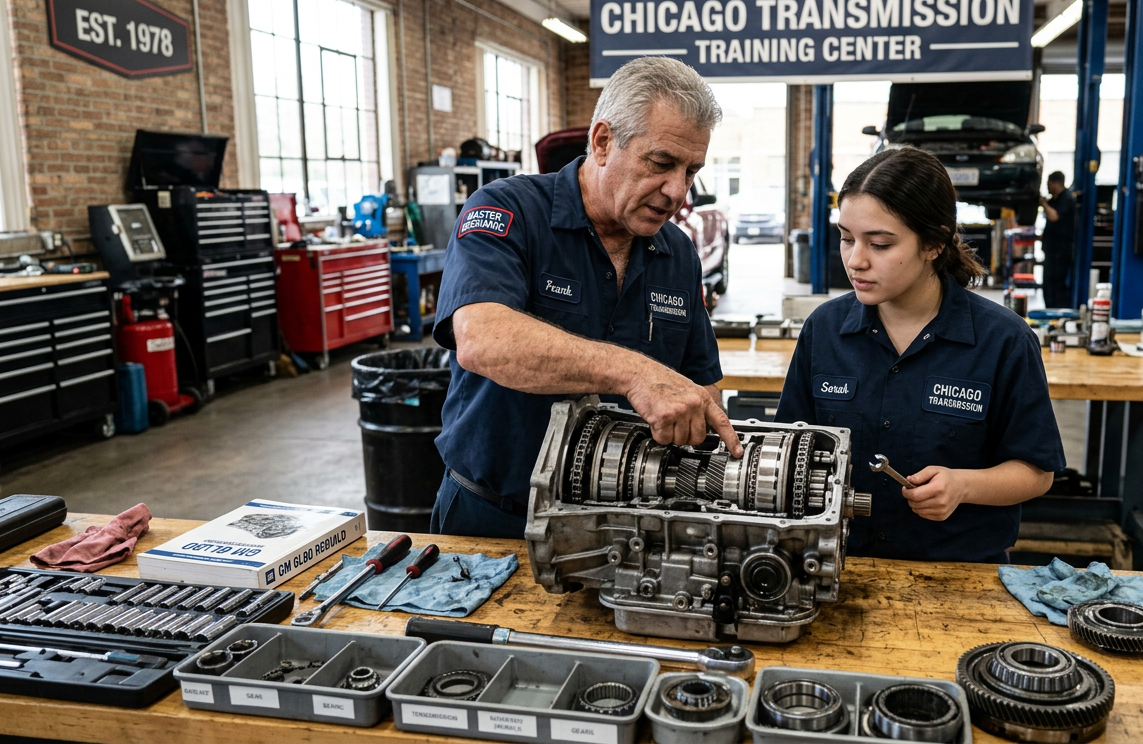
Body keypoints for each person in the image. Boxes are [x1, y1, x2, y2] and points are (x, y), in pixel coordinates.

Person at [428, 57, 743, 539]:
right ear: (602, 142)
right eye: (661, 164)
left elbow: (700, 387)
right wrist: (636, 374)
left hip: (625, 529)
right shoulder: (507, 210)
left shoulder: (676, 251)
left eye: (691, 171)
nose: (678, 191)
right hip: (492, 522)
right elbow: (481, 338)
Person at [774, 147, 1065, 563]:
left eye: (879, 244)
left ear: (933, 244)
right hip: (839, 568)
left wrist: (964, 486)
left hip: (959, 577)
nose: (856, 261)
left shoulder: (1004, 341)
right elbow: (790, 448)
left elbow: (1037, 472)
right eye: (846, 238)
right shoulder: (825, 330)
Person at [1038, 171, 1077, 309]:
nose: (1048, 188)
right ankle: (1049, 310)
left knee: (1057, 284)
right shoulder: (1054, 199)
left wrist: (1043, 203)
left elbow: (1054, 216)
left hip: (1061, 251)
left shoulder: (1067, 198)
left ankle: (1058, 311)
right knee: (1048, 284)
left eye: (1049, 184)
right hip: (1051, 250)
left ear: (1056, 183)